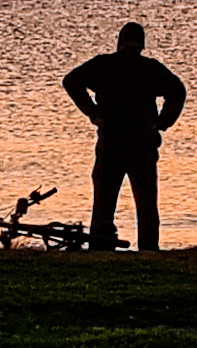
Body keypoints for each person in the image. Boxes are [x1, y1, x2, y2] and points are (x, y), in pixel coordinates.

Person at [62, 21, 188, 252]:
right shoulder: (150, 69)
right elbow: (178, 91)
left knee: (104, 201)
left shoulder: (104, 66)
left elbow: (71, 81)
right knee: (146, 202)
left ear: (119, 42)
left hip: (112, 141)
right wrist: (162, 122)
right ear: (142, 44)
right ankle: (149, 249)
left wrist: (92, 112)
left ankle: (100, 247)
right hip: (142, 143)